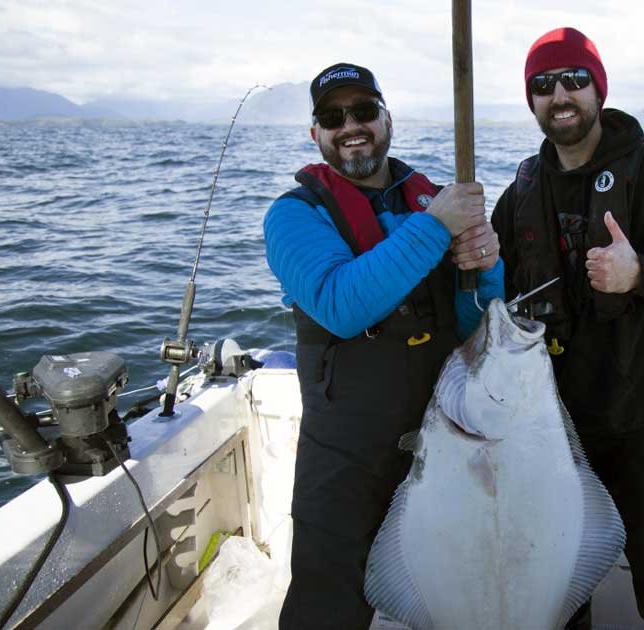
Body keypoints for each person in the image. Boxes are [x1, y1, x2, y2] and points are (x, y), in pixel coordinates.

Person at [490, 28, 644, 629]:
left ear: (598, 90)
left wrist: (641, 273)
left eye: (574, 79)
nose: (560, 95)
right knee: (556, 586)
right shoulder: (521, 192)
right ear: (531, 100)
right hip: (547, 428)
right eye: (543, 84)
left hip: (638, 425)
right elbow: (491, 295)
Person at [263, 62, 504, 629]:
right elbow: (340, 305)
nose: (351, 126)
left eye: (364, 111)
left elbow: (473, 326)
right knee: (327, 608)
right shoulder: (293, 216)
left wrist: (488, 266)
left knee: (445, 596)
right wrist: (436, 228)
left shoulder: (431, 201)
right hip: (344, 457)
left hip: (441, 443)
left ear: (387, 119)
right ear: (316, 134)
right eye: (333, 117)